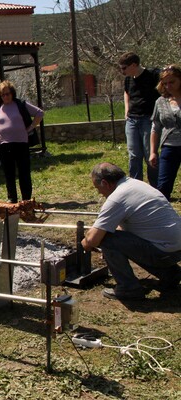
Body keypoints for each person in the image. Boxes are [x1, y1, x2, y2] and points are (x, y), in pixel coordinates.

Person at [81, 163, 181, 300]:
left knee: (107, 240)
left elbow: (93, 240)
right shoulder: (136, 185)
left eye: (98, 188)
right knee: (119, 240)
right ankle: (170, 274)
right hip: (176, 248)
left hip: (164, 252)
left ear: (105, 183)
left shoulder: (117, 198)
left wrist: (85, 243)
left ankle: (129, 289)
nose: (99, 193)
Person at [0, 80, 43, 203]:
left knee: (24, 172)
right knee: (9, 173)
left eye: (8, 94)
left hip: (21, 143)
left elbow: (39, 113)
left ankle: (26, 200)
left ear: (12, 93)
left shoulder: (20, 104)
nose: (6, 96)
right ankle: (12, 199)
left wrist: (31, 127)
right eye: (3, 95)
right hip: (3, 144)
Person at [119, 52, 160, 187]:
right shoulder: (128, 79)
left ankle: (155, 187)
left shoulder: (152, 75)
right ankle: (136, 186)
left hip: (148, 119)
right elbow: (127, 93)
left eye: (124, 68)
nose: (122, 71)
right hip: (131, 120)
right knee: (134, 155)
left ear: (134, 65)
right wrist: (126, 111)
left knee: (150, 154)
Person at [149, 65, 181, 201]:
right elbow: (155, 127)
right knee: (163, 188)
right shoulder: (160, 102)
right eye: (165, 83)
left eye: (172, 82)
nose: (168, 86)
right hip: (169, 146)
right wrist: (153, 152)